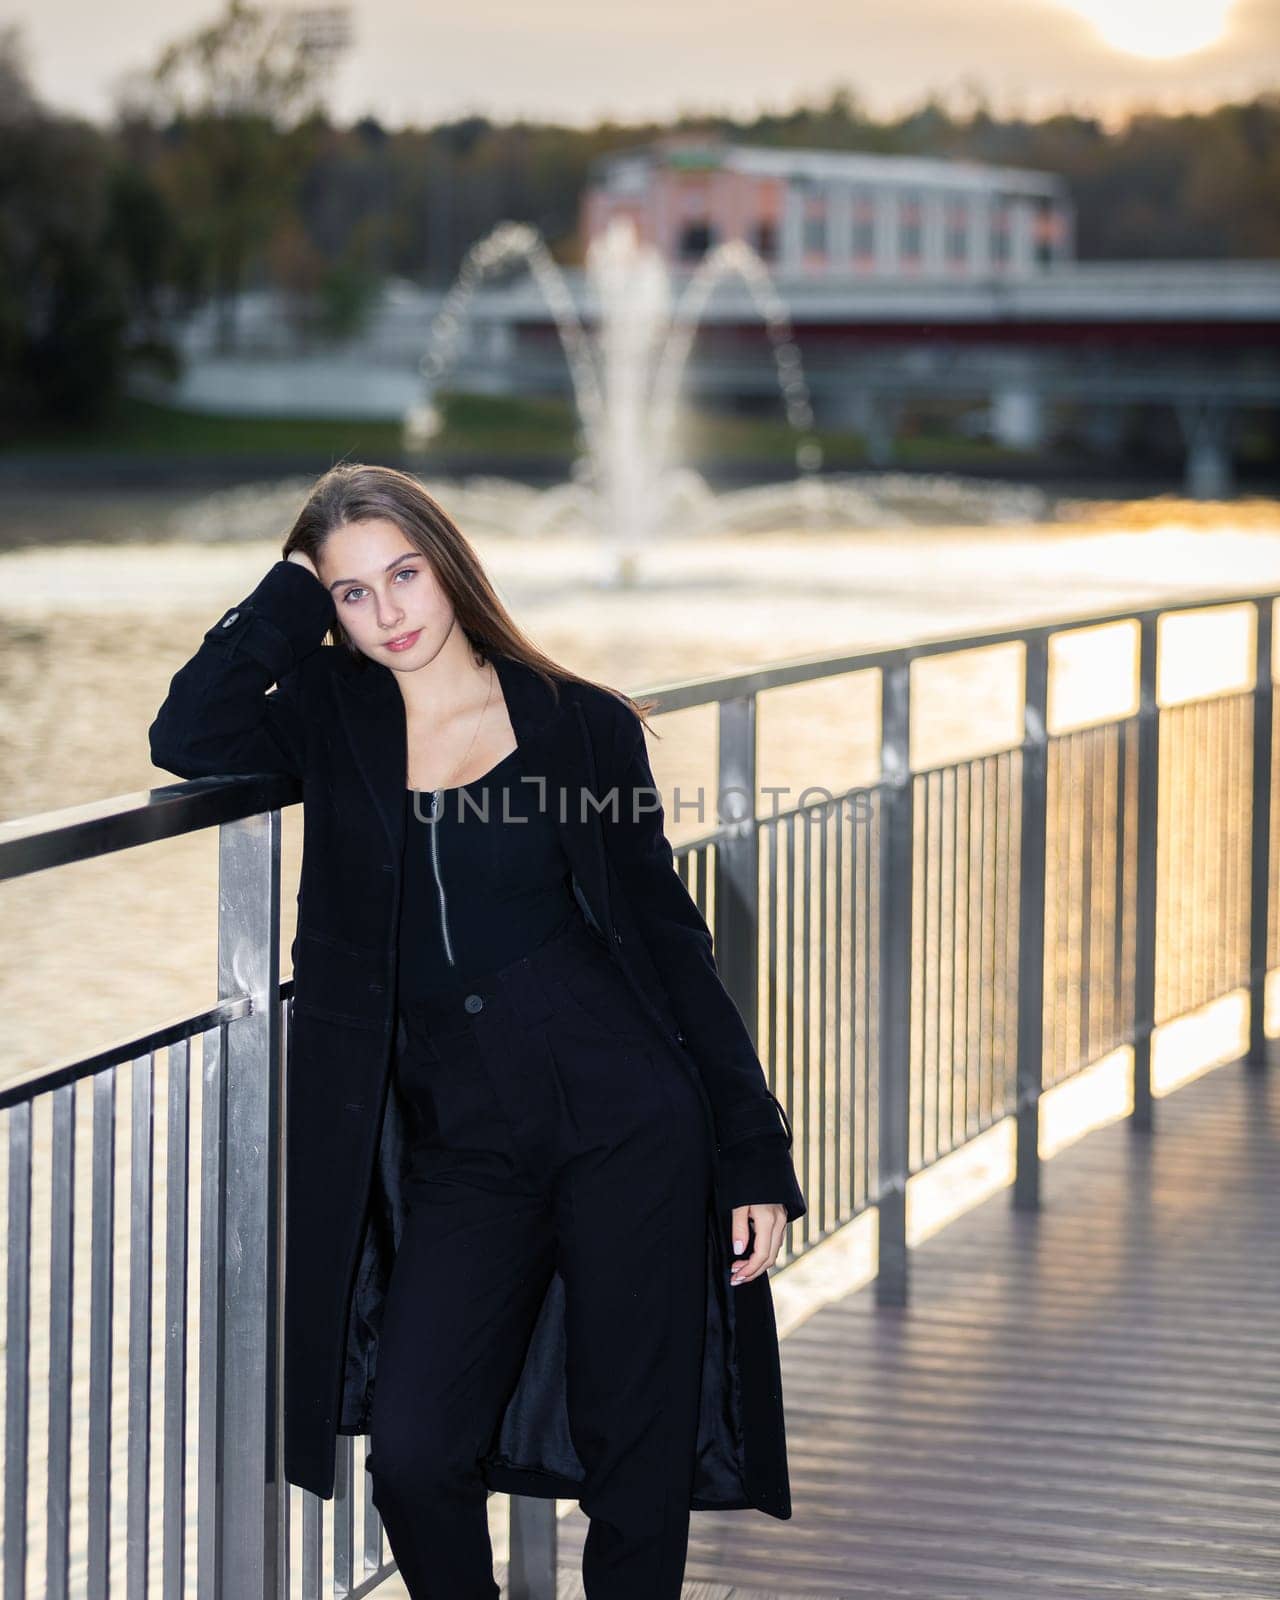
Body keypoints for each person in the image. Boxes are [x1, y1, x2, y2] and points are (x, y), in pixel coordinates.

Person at [148, 462, 806, 1600]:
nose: (388, 612)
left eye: (403, 575)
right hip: (464, 1145)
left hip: (626, 1122)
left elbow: (670, 947)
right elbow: (187, 731)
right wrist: (289, 594)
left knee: (633, 1461)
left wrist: (752, 1148)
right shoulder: (328, 716)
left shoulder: (578, 726)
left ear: (449, 568)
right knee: (410, 1452)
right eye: (353, 594)